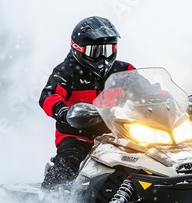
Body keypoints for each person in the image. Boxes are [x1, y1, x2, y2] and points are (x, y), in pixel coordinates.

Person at [39, 16, 135, 190]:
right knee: (67, 165)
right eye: (95, 52)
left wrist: (168, 101)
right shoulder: (66, 72)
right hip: (77, 135)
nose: (102, 58)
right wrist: (64, 112)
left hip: (119, 136)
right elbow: (48, 95)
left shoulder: (125, 71)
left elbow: (149, 89)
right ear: (78, 49)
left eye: (107, 50)